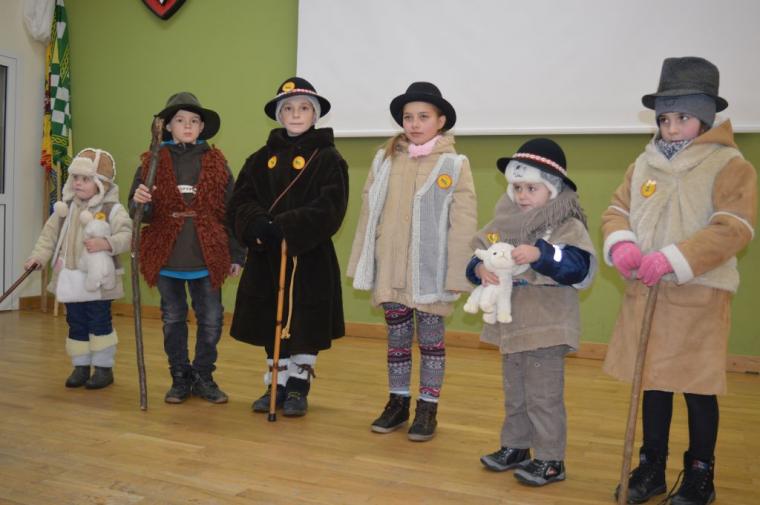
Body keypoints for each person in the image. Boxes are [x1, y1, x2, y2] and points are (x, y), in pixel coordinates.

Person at [603, 57, 757, 505]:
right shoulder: (643, 163)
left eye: (682, 118)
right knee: (653, 381)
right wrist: (622, 243)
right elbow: (617, 209)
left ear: (705, 117)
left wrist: (674, 258)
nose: (671, 128)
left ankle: (700, 473)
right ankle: (651, 465)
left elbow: (734, 227)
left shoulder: (729, 164)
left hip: (699, 295)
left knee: (697, 386)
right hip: (647, 292)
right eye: (664, 119)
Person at [347, 82, 477, 441]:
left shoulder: (454, 164)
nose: (415, 124)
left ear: (441, 120)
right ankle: (398, 402)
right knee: (397, 340)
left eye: (423, 117)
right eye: (408, 117)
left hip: (430, 273)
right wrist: (365, 263)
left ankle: (427, 408)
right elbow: (368, 214)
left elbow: (463, 223)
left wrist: (457, 274)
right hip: (390, 269)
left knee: (432, 343)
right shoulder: (385, 159)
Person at [467, 138, 596, 485]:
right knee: (515, 391)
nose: (523, 195)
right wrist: (478, 269)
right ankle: (516, 445)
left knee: (543, 396)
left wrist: (542, 254)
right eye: (517, 187)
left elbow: (578, 268)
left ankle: (551, 458)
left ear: (552, 189)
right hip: (513, 326)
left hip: (547, 325)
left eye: (531, 188)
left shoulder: (567, 224)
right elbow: (477, 252)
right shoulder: (502, 221)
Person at [228, 77, 349, 417]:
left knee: (305, 320)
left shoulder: (329, 159)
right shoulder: (258, 159)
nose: (296, 114)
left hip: (309, 256)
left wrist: (286, 226)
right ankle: (276, 383)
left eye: (304, 108)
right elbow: (240, 201)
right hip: (267, 254)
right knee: (272, 318)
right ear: (279, 115)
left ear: (315, 114)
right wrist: (255, 224)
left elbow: (331, 207)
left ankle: (298, 384)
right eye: (289, 108)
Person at [129, 92, 244, 405]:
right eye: (180, 120)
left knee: (212, 319)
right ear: (167, 126)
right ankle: (179, 376)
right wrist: (141, 202)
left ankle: (203, 376)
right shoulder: (152, 162)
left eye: (194, 120)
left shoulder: (216, 162)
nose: (188, 125)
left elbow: (231, 211)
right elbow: (138, 212)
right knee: (173, 319)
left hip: (207, 255)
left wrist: (236, 254)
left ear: (203, 126)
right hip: (167, 256)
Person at [26, 148, 133, 389]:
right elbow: (48, 237)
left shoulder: (112, 210)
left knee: (99, 322)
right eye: (75, 178)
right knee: (76, 322)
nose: (78, 183)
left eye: (85, 179)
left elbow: (128, 236)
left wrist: (107, 243)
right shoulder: (65, 209)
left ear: (101, 183)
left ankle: (103, 368)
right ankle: (81, 366)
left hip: (99, 282)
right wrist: (37, 258)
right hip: (71, 280)